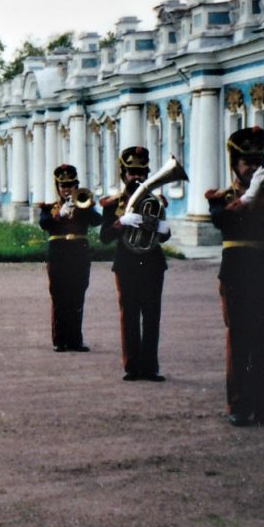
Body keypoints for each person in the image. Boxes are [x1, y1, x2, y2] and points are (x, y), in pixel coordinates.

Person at [206, 127, 264, 428]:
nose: (254, 167)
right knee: (240, 337)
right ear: (235, 164)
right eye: (248, 162)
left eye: (258, 161)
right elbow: (221, 221)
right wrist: (248, 196)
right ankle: (239, 404)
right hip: (237, 273)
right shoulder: (222, 196)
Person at [99, 147, 171, 382]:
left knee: (152, 316)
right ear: (123, 175)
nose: (137, 177)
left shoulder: (156, 201)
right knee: (129, 316)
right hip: (126, 264)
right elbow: (104, 237)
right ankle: (132, 366)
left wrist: (163, 230)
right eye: (132, 172)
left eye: (141, 172)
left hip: (152, 264)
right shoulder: (112, 203)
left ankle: (151, 368)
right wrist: (121, 222)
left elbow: (162, 234)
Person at [38, 164, 102, 352]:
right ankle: (60, 340)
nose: (66, 189)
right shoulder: (49, 207)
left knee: (77, 296)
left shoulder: (83, 204)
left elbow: (97, 221)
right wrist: (60, 214)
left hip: (79, 254)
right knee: (59, 297)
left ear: (76, 186)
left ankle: (75, 340)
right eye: (63, 185)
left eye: (70, 185)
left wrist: (86, 208)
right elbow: (44, 224)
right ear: (57, 187)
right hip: (58, 254)